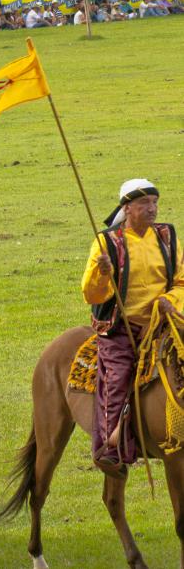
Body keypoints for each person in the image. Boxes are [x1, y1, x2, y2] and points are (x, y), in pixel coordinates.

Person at [82, 179, 184, 477]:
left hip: (163, 322)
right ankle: (110, 448)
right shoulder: (106, 243)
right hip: (122, 328)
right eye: (144, 205)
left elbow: (181, 280)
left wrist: (169, 299)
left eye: (154, 203)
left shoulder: (166, 237)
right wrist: (102, 274)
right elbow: (91, 294)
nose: (151, 209)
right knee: (118, 378)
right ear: (127, 209)